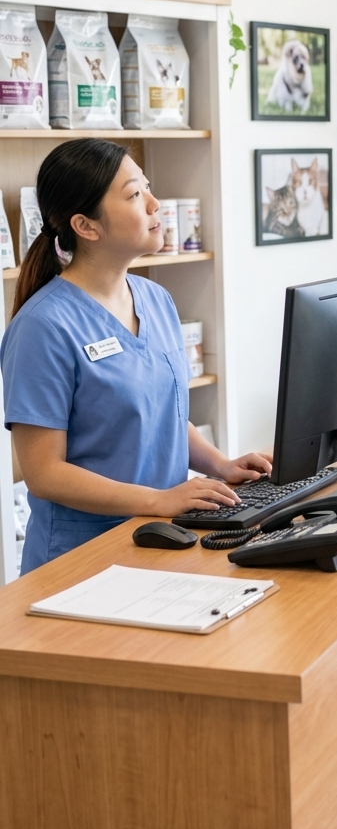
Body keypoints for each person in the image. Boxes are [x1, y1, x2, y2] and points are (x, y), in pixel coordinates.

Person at [1, 139, 271, 575]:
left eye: (147, 187)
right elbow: (44, 473)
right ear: (86, 226)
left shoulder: (156, 299)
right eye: (133, 195)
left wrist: (220, 464)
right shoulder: (42, 327)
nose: (154, 203)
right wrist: (159, 499)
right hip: (80, 559)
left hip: (162, 537)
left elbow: (160, 416)